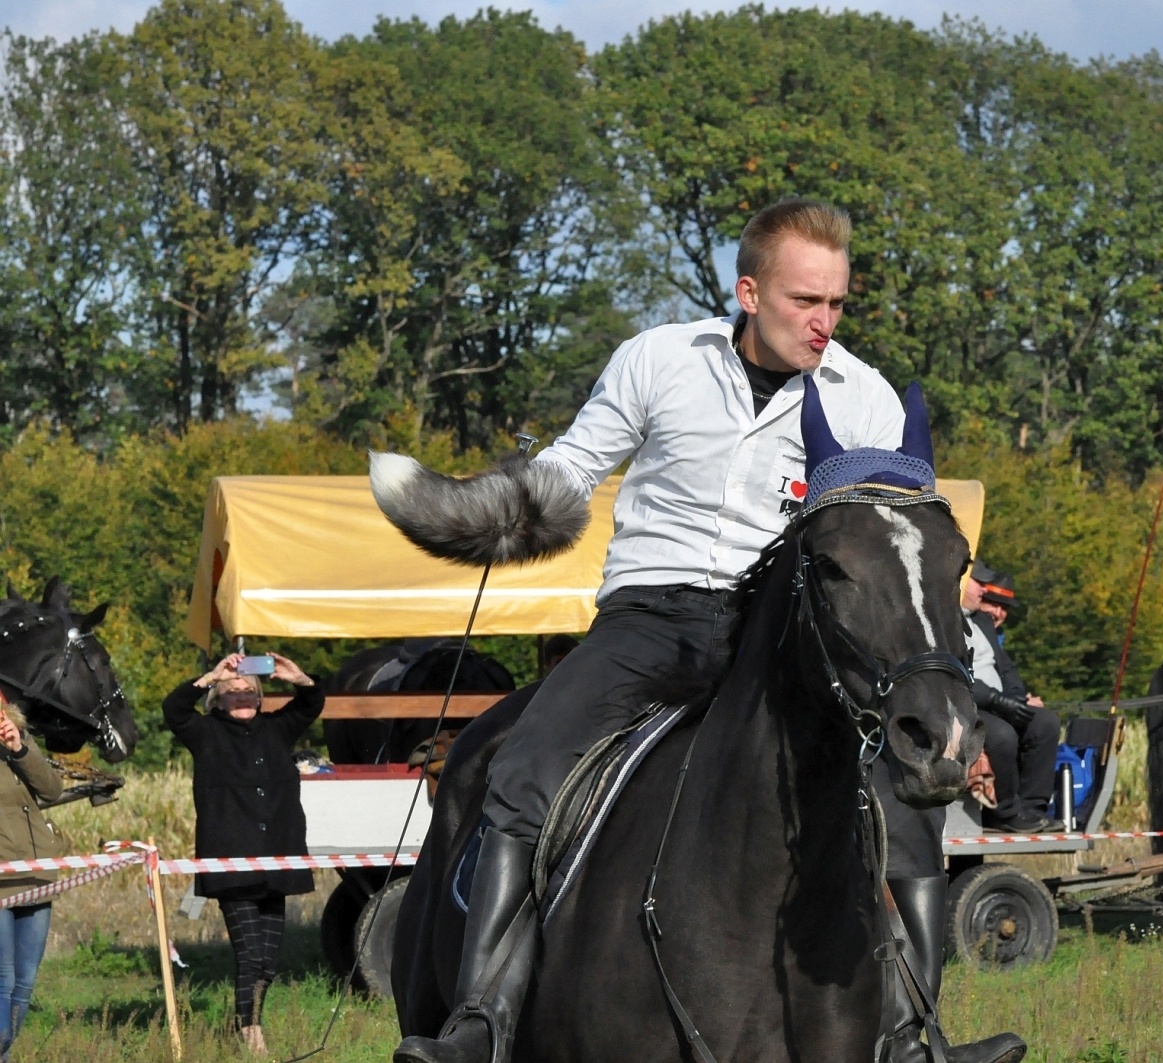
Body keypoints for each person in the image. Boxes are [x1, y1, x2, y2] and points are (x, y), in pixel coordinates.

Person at [388, 199, 1024, 1063]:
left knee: (904, 808)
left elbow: (892, 550)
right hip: (650, 621)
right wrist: (473, 512)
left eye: (837, 303)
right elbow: (573, 468)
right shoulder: (661, 359)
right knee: (526, 764)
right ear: (749, 290)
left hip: (790, 640)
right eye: (806, 301)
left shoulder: (863, 396)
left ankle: (914, 1038)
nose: (824, 323)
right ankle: (481, 1021)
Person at [164, 651, 322, 1055]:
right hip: (231, 866)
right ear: (217, 700)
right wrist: (212, 675)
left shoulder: (277, 729)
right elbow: (174, 708)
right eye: (232, 692)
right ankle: (250, 1034)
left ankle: (249, 1024)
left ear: (260, 696)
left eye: (249, 691)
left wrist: (297, 675)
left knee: (268, 961)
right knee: (250, 956)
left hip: (278, 860)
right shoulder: (204, 733)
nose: (242, 697)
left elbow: (311, 703)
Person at [962, 562, 1060, 833]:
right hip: (966, 704)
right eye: (978, 582)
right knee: (1002, 735)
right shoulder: (941, 621)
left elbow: (1005, 668)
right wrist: (996, 700)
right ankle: (1003, 813)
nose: (984, 589)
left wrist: (1016, 699)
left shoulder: (981, 621)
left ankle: (1032, 808)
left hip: (997, 703)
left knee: (1044, 723)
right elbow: (956, 674)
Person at [0, 695, 63, 1061]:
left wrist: (20, 748)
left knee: (24, 985)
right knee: (3, 980)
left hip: (37, 874)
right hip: (2, 880)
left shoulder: (16, 736)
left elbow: (52, 791)